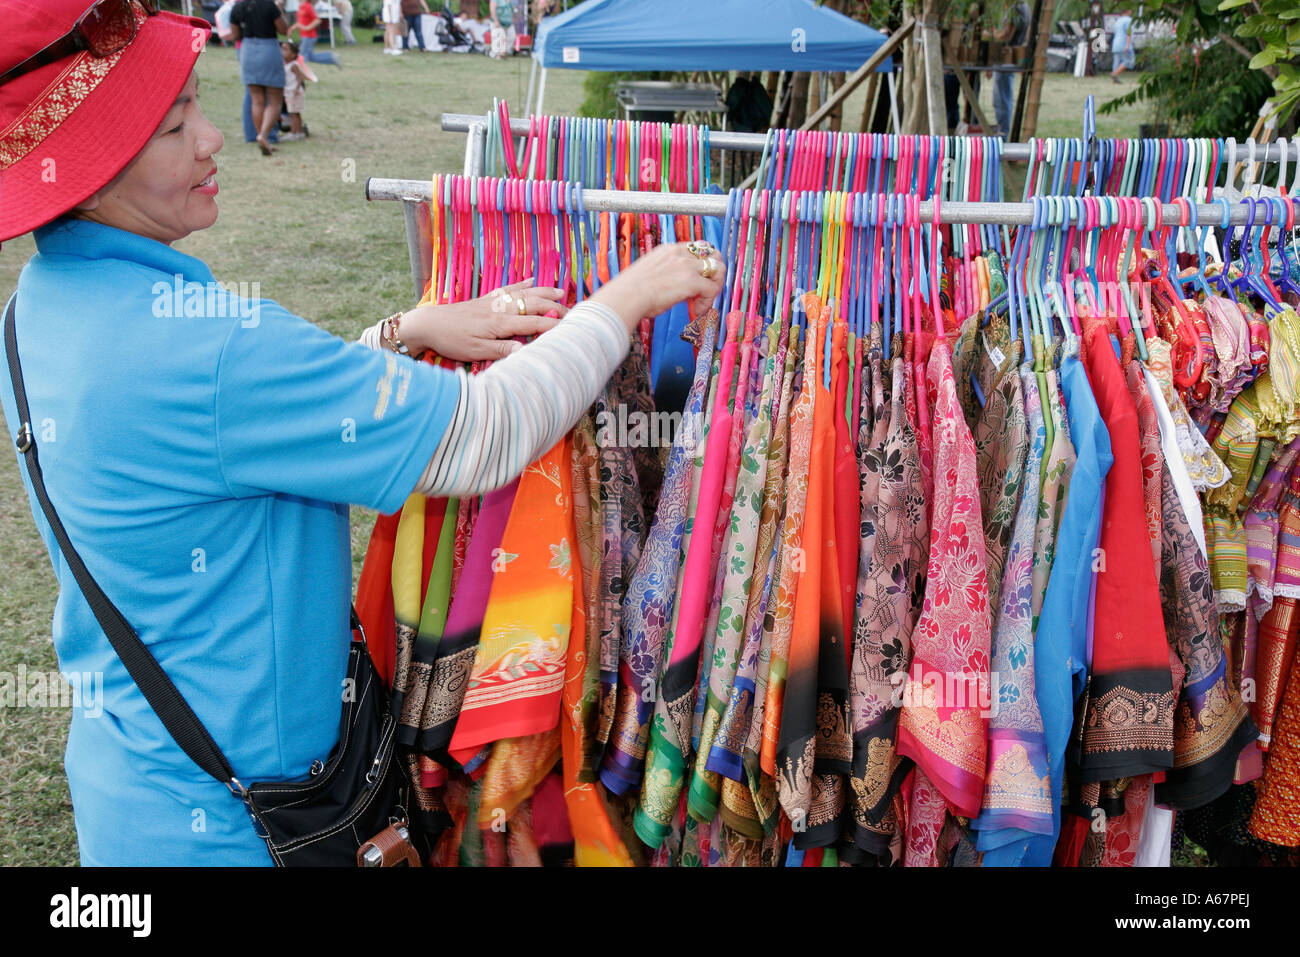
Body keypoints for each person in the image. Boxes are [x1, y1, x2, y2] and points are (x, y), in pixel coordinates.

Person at [0, 0, 724, 866]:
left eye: (197, 106)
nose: (212, 139)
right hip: (244, 829)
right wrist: (625, 297)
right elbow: (484, 433)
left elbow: (232, 436)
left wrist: (401, 334)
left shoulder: (35, 313)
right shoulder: (211, 350)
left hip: (129, 789)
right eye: (173, 127)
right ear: (91, 173)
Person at [230, 0, 288, 155]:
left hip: (247, 51)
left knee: (256, 100)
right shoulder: (269, 5)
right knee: (275, 101)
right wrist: (280, 9)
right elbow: (283, 30)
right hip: (269, 49)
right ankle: (264, 135)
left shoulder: (238, 7)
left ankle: (260, 136)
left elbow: (235, 35)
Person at [989, 0, 1030, 137]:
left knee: (1002, 101)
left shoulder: (1016, 8)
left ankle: (1002, 135)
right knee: (1003, 99)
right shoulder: (1024, 6)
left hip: (1007, 59)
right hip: (1010, 60)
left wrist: (991, 34)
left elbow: (1006, 35)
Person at [286, 0, 342, 69]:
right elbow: (300, 22)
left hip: (309, 36)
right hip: (304, 36)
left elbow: (317, 20)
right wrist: (291, 28)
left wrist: (307, 28)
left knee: (302, 56)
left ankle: (300, 71)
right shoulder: (301, 6)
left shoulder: (308, 6)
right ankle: (331, 57)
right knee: (311, 57)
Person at [280, 39, 312, 140]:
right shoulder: (286, 64)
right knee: (296, 113)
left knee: (293, 114)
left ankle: (294, 133)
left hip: (293, 92)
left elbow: (299, 77)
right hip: (290, 92)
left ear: (293, 54)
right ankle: (299, 132)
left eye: (285, 50)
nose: (282, 52)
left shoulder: (293, 65)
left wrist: (296, 88)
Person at [1111, 8, 1135, 82]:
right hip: (1123, 44)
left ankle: (1114, 80)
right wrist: (1127, 45)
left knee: (1116, 62)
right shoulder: (1128, 20)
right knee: (1129, 61)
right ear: (1128, 11)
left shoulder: (1118, 21)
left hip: (1115, 44)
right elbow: (1128, 32)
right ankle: (1114, 74)